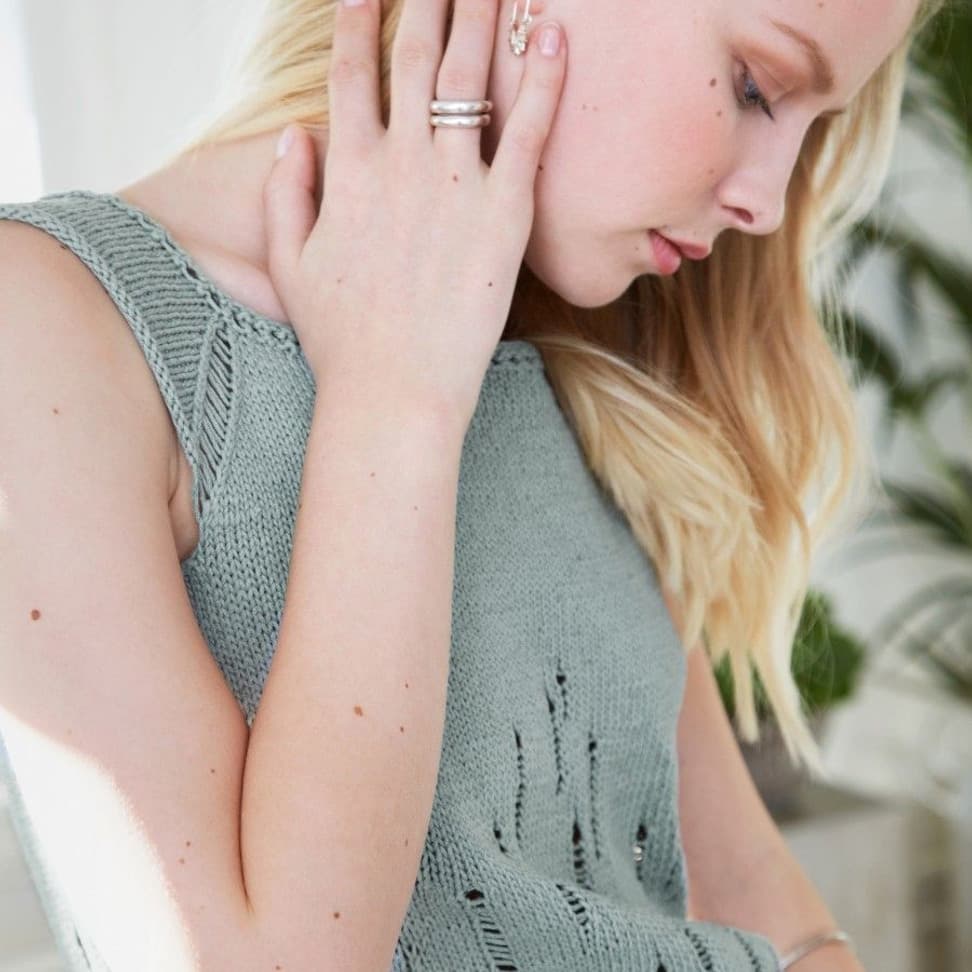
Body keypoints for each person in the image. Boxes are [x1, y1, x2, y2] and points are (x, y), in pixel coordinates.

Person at [0, 0, 950, 969]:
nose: (770, 203)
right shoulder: (47, 322)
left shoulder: (574, 335)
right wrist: (395, 395)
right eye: (755, 87)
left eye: (814, 126)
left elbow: (769, 912)